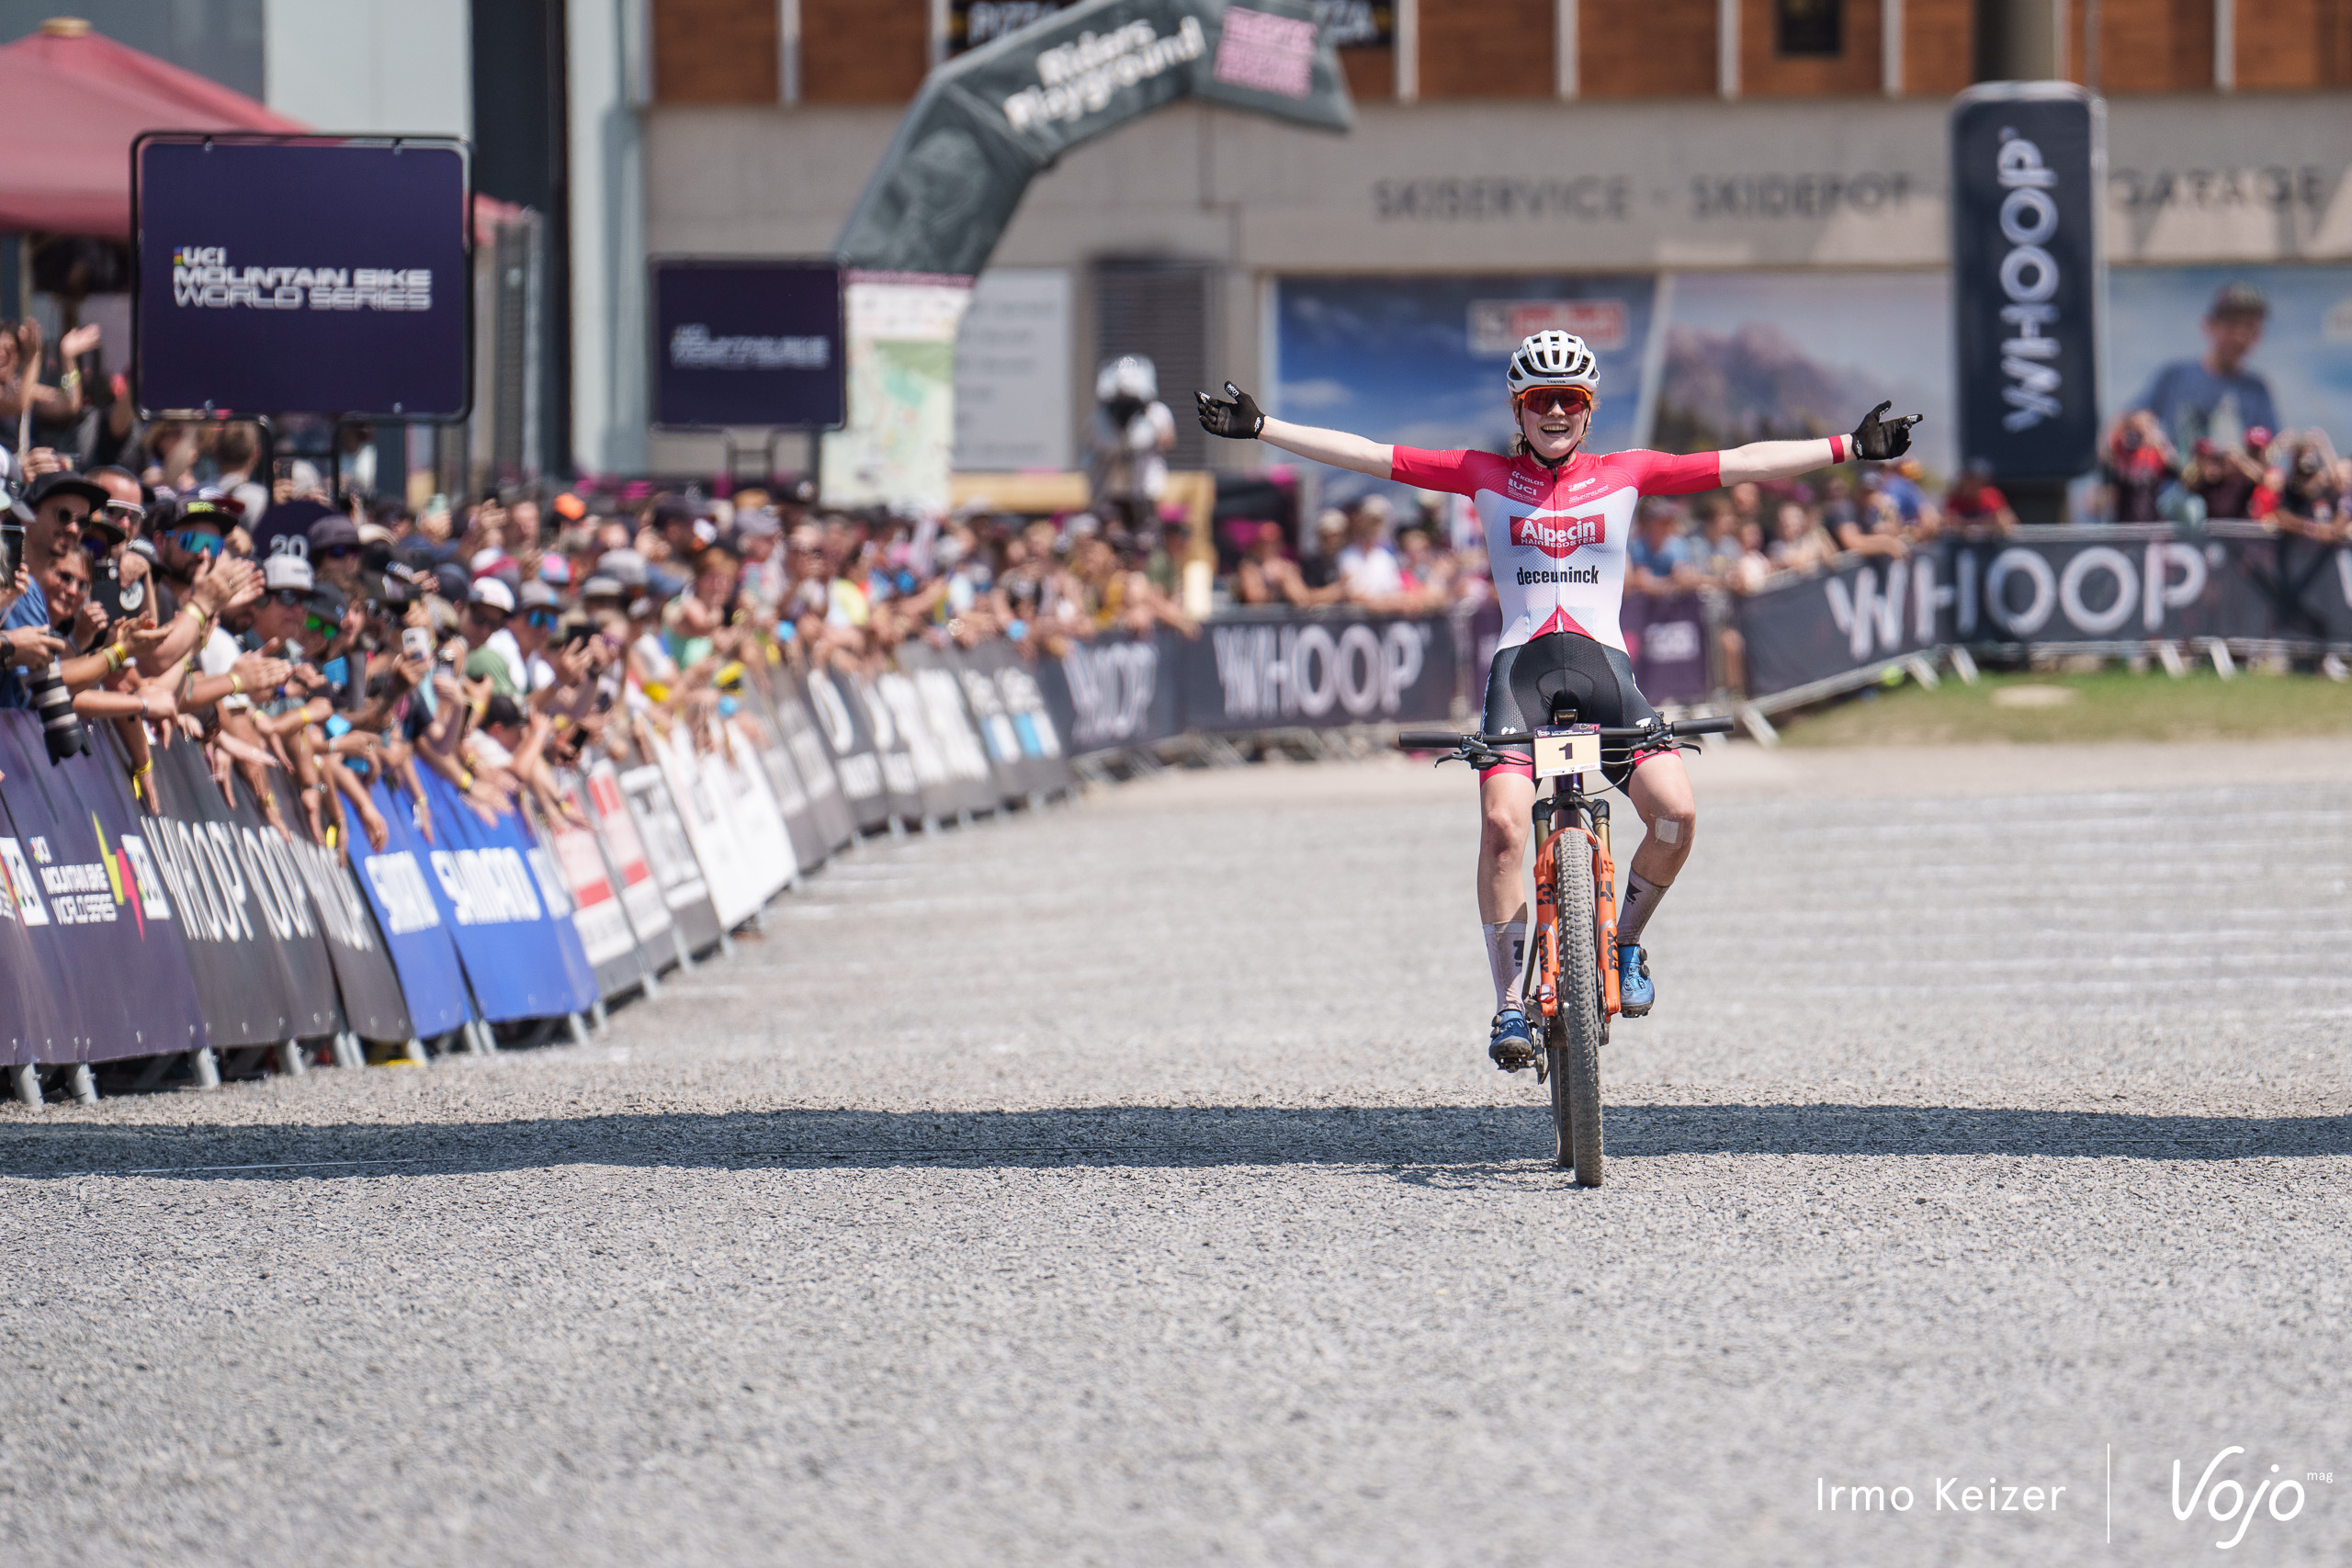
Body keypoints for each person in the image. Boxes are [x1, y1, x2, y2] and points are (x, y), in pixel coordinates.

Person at [1197, 333, 1919, 1069]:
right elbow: (1370, 454)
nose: (1554, 412)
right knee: (1504, 828)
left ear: (1589, 409)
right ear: (1519, 408)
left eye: (1568, 399)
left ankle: (1626, 942)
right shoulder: (1481, 472)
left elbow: (1739, 463)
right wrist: (1263, 429)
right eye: (1539, 399)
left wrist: (1848, 447)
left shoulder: (1627, 472)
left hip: (1605, 676)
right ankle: (1509, 1002)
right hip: (1521, 675)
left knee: (1677, 815)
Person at [2131, 282, 2278, 456]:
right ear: (2209, 325)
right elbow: (2128, 418)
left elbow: (2271, 453)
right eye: (2232, 324)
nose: (2240, 336)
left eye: (2250, 327)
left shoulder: (2257, 390)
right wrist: (2136, 425)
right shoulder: (2174, 376)